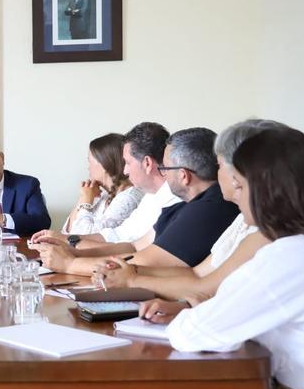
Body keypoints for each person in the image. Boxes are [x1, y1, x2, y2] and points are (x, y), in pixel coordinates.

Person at [137, 126, 304, 389]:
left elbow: (192, 335)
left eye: (237, 188)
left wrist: (193, 314)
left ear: (262, 190)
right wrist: (199, 309)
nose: (233, 200)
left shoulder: (289, 253)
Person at [93, 120, 283, 302]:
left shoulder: (265, 231)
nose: (215, 172)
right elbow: (197, 274)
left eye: (220, 165)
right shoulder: (244, 220)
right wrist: (131, 273)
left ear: (239, 176)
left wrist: (132, 279)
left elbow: (205, 289)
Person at [36, 128, 239, 276]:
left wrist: (71, 264)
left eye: (165, 169)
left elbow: (145, 262)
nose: (162, 175)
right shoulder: (180, 205)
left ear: (184, 176)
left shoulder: (208, 208)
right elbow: (133, 246)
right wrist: (71, 252)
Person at [33, 122, 181, 249]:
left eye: (128, 163)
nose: (125, 170)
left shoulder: (171, 199)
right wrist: (63, 239)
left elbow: (134, 249)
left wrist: (70, 252)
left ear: (147, 163)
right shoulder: (151, 196)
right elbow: (119, 235)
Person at [61, 133, 144, 235]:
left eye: (89, 162)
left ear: (104, 164)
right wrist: (84, 196)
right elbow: (67, 232)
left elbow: (83, 236)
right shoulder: (103, 194)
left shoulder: (128, 198)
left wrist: (86, 201)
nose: (88, 168)